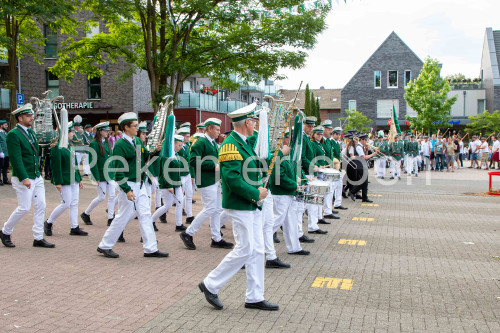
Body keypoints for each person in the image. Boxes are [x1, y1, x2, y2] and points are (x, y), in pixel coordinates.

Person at [199, 105, 278, 311]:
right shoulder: (230, 145)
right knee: (245, 248)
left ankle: (254, 297)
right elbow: (232, 179)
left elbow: (251, 168)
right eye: (253, 121)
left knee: (257, 250)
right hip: (240, 203)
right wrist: (255, 193)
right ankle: (210, 284)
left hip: (250, 204)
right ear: (247, 123)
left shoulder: (243, 143)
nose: (255, 124)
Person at [97, 112, 168, 259]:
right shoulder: (119, 145)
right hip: (128, 184)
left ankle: (150, 248)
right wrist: (127, 190)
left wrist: (156, 152)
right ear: (126, 127)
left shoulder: (137, 141)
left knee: (145, 215)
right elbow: (118, 172)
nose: (138, 128)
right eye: (135, 126)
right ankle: (105, 245)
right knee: (123, 216)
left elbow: (145, 160)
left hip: (139, 183)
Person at [1, 104, 54, 248]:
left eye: (31, 115)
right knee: (24, 207)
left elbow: (34, 151)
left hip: (36, 175)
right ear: (20, 118)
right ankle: (5, 231)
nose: (32, 118)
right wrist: (24, 177)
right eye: (29, 116)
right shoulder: (14, 134)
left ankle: (38, 237)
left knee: (41, 205)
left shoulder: (30, 133)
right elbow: (16, 158)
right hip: (24, 176)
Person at [180, 118, 233, 250]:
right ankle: (188, 233)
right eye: (216, 129)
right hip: (205, 180)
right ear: (209, 128)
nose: (218, 132)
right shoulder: (200, 142)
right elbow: (192, 161)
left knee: (216, 209)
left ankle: (216, 238)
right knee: (210, 208)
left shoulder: (212, 143)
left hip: (213, 180)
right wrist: (212, 165)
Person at [270, 129, 309, 257]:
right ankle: (255, 247)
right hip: (280, 193)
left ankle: (294, 247)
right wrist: (294, 185)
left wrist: (296, 180)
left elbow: (289, 170)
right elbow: (278, 176)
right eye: (288, 139)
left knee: (290, 222)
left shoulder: (286, 154)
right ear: (282, 140)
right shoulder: (276, 154)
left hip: (287, 192)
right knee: (275, 221)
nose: (290, 142)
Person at [44, 121, 88, 237]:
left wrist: (79, 179)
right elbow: (55, 167)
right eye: (71, 132)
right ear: (65, 133)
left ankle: (74, 227)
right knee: (65, 203)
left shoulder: (70, 146)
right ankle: (48, 222)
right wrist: (57, 182)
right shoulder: (57, 147)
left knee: (74, 203)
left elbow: (75, 164)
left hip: (73, 179)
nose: (73, 134)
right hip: (64, 180)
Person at [81, 122, 116, 227]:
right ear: (100, 131)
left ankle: (111, 218)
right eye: (105, 131)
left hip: (109, 174)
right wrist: (95, 177)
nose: (107, 133)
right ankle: (86, 213)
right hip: (100, 175)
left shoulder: (106, 142)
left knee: (112, 196)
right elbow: (93, 162)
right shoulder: (94, 144)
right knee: (101, 197)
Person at [151, 134, 186, 231]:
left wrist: (180, 184)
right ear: (173, 144)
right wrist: (170, 186)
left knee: (180, 202)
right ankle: (151, 220)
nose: (180, 147)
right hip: (167, 184)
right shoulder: (166, 155)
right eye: (179, 145)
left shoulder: (176, 154)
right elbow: (165, 171)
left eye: (181, 145)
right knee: (167, 205)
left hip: (176, 183)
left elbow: (177, 171)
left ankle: (179, 225)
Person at [347, 133, 376, 202]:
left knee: (365, 183)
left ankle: (364, 197)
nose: (366, 142)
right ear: (362, 140)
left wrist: (366, 150)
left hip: (362, 165)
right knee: (363, 182)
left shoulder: (360, 146)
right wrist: (373, 154)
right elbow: (364, 157)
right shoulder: (359, 147)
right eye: (365, 140)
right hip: (360, 166)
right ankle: (353, 191)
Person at [176, 126, 194, 223]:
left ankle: (189, 215)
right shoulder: (177, 148)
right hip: (181, 174)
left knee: (189, 194)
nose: (188, 138)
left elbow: (189, 161)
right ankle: (179, 219)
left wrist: (192, 175)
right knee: (179, 196)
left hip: (187, 173)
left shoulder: (186, 146)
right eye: (186, 136)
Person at [0, 119, 10, 185]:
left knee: (5, 167)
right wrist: (0, 151)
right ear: (1, 126)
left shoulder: (5, 133)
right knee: (0, 167)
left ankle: (5, 179)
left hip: (6, 153)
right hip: (2, 153)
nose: (7, 126)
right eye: (5, 125)